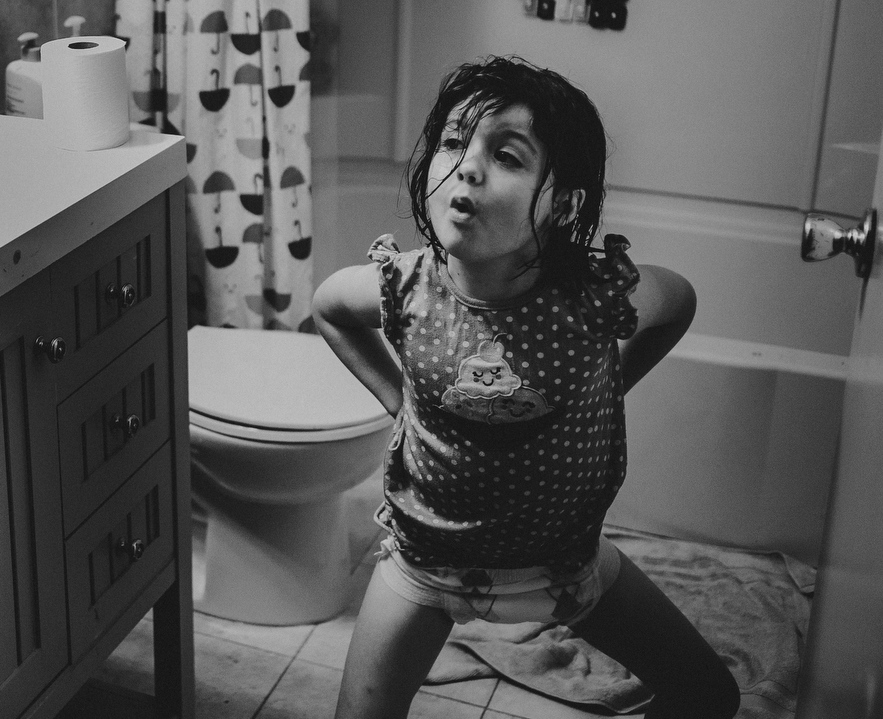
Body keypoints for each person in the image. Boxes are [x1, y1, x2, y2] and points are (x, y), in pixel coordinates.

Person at [311, 57, 739, 719]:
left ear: (563, 205)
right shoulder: (403, 287)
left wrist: (613, 386)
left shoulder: (597, 299)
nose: (467, 168)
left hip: (567, 562)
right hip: (428, 561)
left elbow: (677, 304)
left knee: (709, 696)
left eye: (506, 155)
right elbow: (330, 307)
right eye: (453, 143)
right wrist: (399, 400)